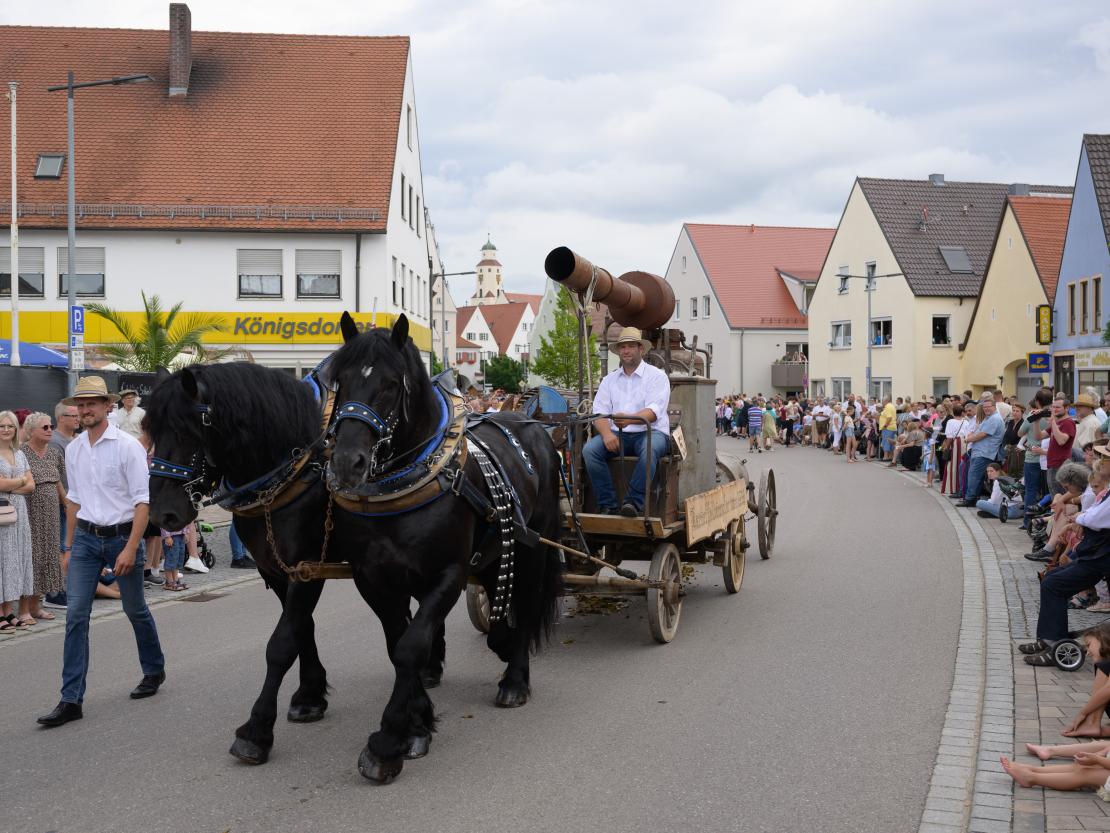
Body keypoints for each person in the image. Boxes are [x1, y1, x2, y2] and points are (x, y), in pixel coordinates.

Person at [37, 376, 166, 728]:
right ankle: (70, 699)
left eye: (92, 403)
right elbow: (74, 501)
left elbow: (143, 503)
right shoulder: (75, 449)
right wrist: (67, 546)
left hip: (123, 537)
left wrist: (129, 548)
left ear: (107, 406)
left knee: (134, 608)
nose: (85, 409)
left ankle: (154, 670)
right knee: (76, 616)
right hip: (85, 542)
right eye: (80, 405)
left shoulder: (128, 447)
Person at [1022, 447, 1110, 668]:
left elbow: (1094, 518)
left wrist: (1079, 520)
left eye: (1104, 458)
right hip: (1096, 553)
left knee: (1054, 584)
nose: (1100, 461)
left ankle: (1054, 643)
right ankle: (1047, 638)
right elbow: (1091, 516)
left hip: (1101, 558)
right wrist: (1079, 521)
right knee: (1052, 578)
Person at [583, 328, 671, 517]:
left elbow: (654, 411)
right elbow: (599, 412)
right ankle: (608, 504)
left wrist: (629, 419)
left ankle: (633, 502)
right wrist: (606, 434)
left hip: (651, 433)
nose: (626, 350)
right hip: (619, 435)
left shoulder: (657, 376)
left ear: (641, 349)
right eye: (623, 347)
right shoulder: (609, 380)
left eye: (631, 346)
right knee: (589, 451)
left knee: (649, 448)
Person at [19, 412, 65, 621]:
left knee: (47, 557)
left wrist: (67, 504)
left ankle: (37, 605)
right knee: (30, 558)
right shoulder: (21, 453)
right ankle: (23, 609)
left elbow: (58, 482)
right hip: (28, 512)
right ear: (31, 431)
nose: (49, 430)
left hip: (51, 515)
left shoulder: (54, 453)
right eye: (44, 427)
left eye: (51, 426)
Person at [0, 411, 35, 632]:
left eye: (9, 426)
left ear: (15, 429)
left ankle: (8, 611)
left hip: (19, 513)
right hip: (2, 511)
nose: (5, 430)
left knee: (16, 559)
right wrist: (20, 480)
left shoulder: (19, 453)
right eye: (1, 426)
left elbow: (31, 485)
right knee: (2, 559)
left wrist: (13, 483)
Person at [45, 400, 80, 608]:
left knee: (71, 545)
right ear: (61, 419)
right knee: (61, 545)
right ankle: (55, 591)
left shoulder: (75, 439)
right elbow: (59, 476)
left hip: (74, 501)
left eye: (78, 416)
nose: (78, 419)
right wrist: (65, 501)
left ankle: (65, 587)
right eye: (73, 416)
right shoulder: (56, 442)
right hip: (64, 501)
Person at [958, 394, 1005, 507]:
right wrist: (971, 435)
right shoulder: (988, 418)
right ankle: (973, 498)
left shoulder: (994, 419)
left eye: (989, 407)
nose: (986, 409)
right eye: (985, 407)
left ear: (994, 406)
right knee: (975, 475)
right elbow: (978, 431)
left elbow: (982, 435)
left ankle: (970, 499)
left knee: (974, 475)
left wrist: (968, 439)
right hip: (980, 452)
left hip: (985, 453)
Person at [1047, 398, 1078, 494]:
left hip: (1060, 465)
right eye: (1053, 407)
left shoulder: (1068, 422)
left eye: (1058, 407)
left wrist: (1052, 422)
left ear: (1067, 408)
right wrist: (1036, 421)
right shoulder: (1057, 423)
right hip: (1052, 464)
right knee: (1054, 495)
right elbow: (1038, 436)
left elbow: (1061, 441)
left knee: (1059, 496)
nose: (1054, 409)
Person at [878, 396, 897, 462]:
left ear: (885, 401)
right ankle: (890, 456)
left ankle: (885, 457)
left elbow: (889, 417)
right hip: (892, 427)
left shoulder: (888, 407)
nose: (882, 403)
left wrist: (885, 426)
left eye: (882, 401)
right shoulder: (891, 406)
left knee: (886, 442)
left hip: (888, 427)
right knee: (891, 442)